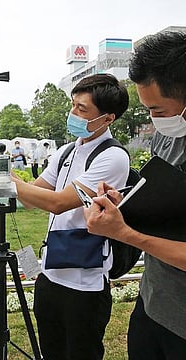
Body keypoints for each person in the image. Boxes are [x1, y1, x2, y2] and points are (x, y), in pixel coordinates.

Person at [0, 74, 130, 360]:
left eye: (82, 109)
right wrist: (1, 171)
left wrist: (7, 181)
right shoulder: (66, 152)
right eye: (73, 105)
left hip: (84, 281)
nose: (73, 113)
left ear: (108, 118)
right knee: (51, 351)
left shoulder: (113, 157)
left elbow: (60, 203)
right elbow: (31, 200)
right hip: (50, 274)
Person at [85, 31, 186, 360]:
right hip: (154, 302)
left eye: (158, 110)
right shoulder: (168, 138)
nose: (154, 120)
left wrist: (124, 233)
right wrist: (124, 202)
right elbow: (164, 203)